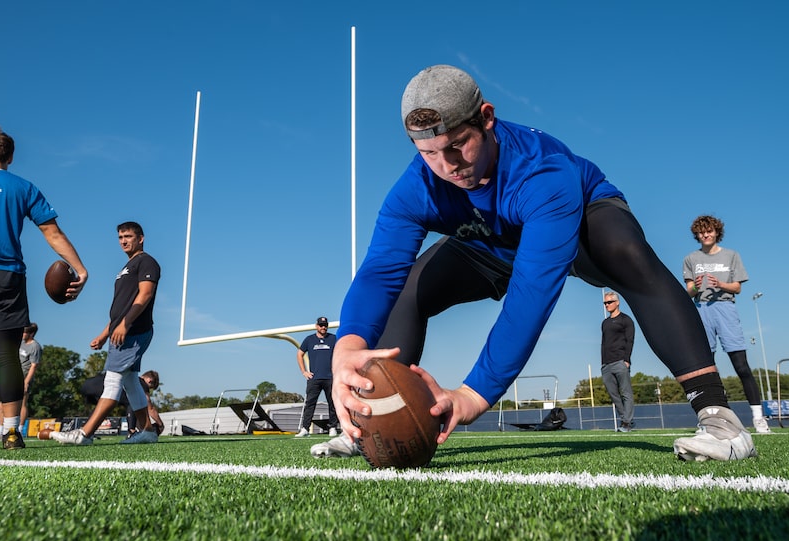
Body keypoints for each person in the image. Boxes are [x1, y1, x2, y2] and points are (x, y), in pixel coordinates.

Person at [311, 64, 755, 462]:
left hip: (576, 224)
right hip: (489, 239)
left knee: (627, 253)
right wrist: (347, 350)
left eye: (458, 146)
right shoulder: (415, 187)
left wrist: (472, 394)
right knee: (409, 288)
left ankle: (720, 419)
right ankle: (368, 423)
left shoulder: (543, 173)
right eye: (428, 153)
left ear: (486, 118)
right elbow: (379, 271)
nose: (447, 166)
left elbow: (531, 293)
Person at [0, 130, 87, 450]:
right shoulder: (24, 187)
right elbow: (52, 232)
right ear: (10, 157)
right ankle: (12, 432)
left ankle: (9, 429)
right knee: (6, 359)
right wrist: (80, 269)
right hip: (6, 279)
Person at [52, 221, 160, 446]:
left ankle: (84, 434)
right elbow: (120, 309)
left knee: (112, 383)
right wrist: (104, 334)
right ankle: (148, 431)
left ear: (141, 238)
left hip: (133, 331)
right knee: (130, 382)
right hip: (122, 331)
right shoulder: (124, 268)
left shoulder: (146, 261)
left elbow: (145, 295)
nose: (123, 241)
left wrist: (125, 324)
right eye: (120, 237)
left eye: (128, 236)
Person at [683, 215, 770, 434]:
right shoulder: (691, 259)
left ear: (716, 232)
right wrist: (698, 286)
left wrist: (720, 284)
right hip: (702, 309)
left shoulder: (731, 255)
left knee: (740, 364)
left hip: (725, 308)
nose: (706, 235)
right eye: (702, 232)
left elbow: (738, 288)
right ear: (697, 235)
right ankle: (710, 420)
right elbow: (689, 290)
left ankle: (759, 418)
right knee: (706, 367)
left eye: (709, 231)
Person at [0, 322, 43, 441]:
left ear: (31, 333)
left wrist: (26, 382)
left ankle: (18, 430)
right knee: (2, 405)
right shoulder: (20, 342)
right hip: (13, 375)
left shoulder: (35, 347)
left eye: (25, 332)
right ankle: (0, 431)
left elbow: (34, 365)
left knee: (22, 404)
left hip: (25, 376)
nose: (22, 334)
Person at [80, 369, 165, 437]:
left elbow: (138, 414)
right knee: (133, 400)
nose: (148, 390)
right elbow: (150, 407)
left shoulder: (130, 378)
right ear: (149, 380)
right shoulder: (140, 383)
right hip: (100, 386)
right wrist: (160, 424)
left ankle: (85, 431)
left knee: (102, 408)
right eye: (150, 388)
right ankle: (131, 432)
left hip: (87, 385)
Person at [295, 317, 339, 437]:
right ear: (316, 326)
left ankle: (333, 427)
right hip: (314, 378)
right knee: (310, 403)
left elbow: (341, 353)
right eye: (321, 325)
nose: (323, 327)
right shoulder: (309, 340)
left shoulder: (333, 339)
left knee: (333, 403)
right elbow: (300, 354)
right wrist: (304, 371)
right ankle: (305, 429)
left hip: (331, 378)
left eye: (325, 325)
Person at [600, 292, 635, 433]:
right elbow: (603, 343)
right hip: (606, 364)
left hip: (620, 361)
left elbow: (630, 340)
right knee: (613, 394)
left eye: (610, 302)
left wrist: (626, 360)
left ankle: (626, 422)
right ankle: (625, 419)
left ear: (617, 302)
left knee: (626, 393)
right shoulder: (605, 323)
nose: (607, 305)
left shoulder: (626, 320)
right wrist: (602, 362)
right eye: (605, 303)